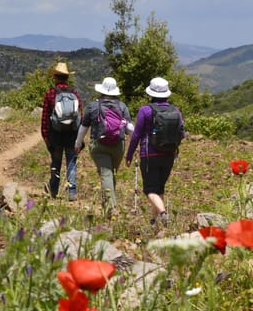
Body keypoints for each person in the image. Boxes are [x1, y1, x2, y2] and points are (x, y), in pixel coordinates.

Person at [125, 77, 185, 226]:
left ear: (151, 93)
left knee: (150, 190)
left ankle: (163, 214)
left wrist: (129, 154)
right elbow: (182, 133)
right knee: (159, 188)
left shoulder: (145, 110)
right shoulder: (175, 110)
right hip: (169, 154)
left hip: (149, 154)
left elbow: (136, 135)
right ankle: (154, 221)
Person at [74, 77, 133, 217]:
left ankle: (111, 208)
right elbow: (129, 127)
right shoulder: (122, 106)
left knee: (106, 174)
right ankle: (109, 204)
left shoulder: (92, 106)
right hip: (118, 146)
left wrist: (77, 144)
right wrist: (138, 140)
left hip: (98, 146)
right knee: (111, 174)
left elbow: (83, 127)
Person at [41, 62, 82, 200]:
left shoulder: (50, 93)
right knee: (71, 163)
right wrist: (79, 139)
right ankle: (71, 192)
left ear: (56, 78)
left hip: (56, 135)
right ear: (67, 77)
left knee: (56, 163)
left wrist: (46, 136)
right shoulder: (74, 93)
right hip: (71, 135)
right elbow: (80, 117)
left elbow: (45, 118)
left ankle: (53, 190)